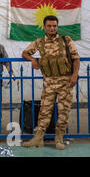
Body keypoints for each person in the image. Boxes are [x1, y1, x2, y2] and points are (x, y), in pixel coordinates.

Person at [22, 15, 80, 150]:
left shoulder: (66, 40)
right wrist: (32, 59)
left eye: (54, 26)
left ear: (57, 26)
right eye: (49, 26)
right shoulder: (40, 42)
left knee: (63, 111)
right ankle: (38, 138)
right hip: (49, 83)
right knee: (44, 111)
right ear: (44, 27)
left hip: (66, 82)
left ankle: (59, 138)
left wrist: (75, 75)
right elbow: (24, 53)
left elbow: (76, 59)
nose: (52, 28)